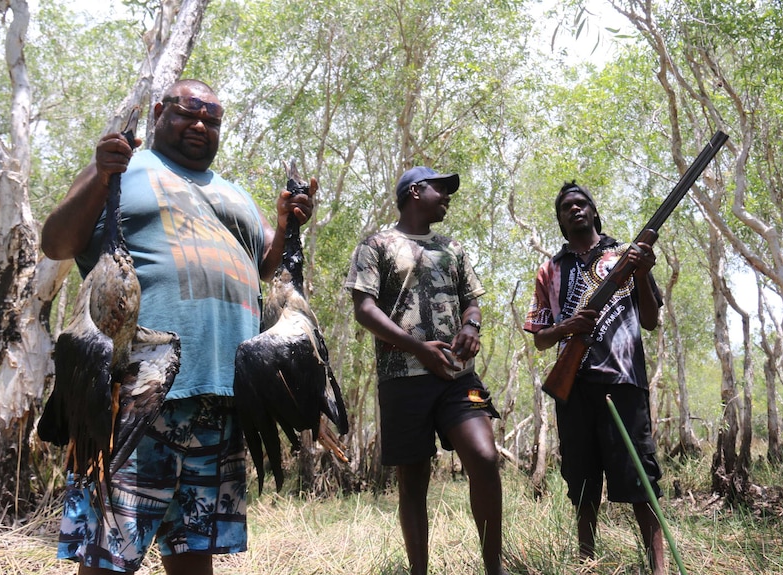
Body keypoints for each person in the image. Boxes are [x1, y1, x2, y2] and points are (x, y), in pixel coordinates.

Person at [41, 79, 316, 575]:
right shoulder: (124, 170)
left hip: (222, 393)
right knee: (107, 554)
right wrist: (101, 174)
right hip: (136, 392)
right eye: (189, 113)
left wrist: (284, 224)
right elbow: (57, 243)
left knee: (194, 553)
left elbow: (262, 270)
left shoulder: (233, 194)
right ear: (158, 112)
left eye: (212, 119)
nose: (200, 125)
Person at [344, 166, 508, 575]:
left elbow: (472, 300)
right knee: (413, 482)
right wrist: (419, 348)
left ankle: (495, 569)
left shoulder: (452, 247)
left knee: (485, 458)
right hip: (402, 378)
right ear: (415, 192)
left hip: (456, 376)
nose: (449, 196)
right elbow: (365, 310)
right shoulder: (376, 245)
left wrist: (471, 326)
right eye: (442, 188)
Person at [523, 181, 666, 574]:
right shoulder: (549, 269)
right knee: (581, 480)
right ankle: (587, 562)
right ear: (560, 220)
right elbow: (539, 338)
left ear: (594, 211)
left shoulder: (626, 254)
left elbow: (651, 321)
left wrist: (641, 273)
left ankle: (659, 567)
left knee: (640, 477)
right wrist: (567, 327)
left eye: (582, 203)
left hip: (624, 382)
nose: (575, 209)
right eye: (567, 206)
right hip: (575, 389)